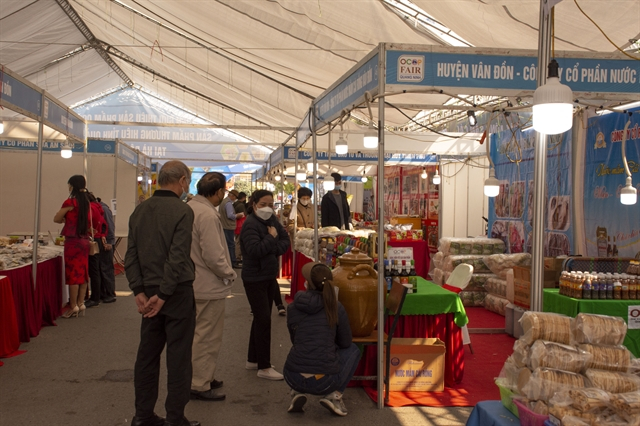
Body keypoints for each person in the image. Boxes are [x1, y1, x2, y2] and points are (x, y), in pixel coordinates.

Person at [125, 160, 200, 426]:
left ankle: (142, 415)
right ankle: (175, 418)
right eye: (187, 182)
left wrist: (139, 290)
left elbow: (130, 254)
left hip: (148, 292)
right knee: (178, 357)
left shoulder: (140, 210)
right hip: (176, 292)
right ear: (181, 180)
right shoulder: (182, 211)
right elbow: (177, 256)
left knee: (147, 355)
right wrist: (165, 293)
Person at [284, 262, 361, 416]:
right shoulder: (336, 307)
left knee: (302, 348)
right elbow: (345, 343)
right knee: (353, 350)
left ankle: (297, 390)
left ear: (308, 284)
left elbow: (295, 339)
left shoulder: (293, 307)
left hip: (292, 375)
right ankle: (335, 396)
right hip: (325, 381)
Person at [188, 172, 236, 402]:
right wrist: (229, 273)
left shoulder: (190, 208)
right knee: (207, 335)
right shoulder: (207, 214)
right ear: (218, 192)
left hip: (191, 282)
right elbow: (213, 254)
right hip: (207, 283)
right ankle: (199, 383)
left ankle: (202, 376)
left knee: (197, 334)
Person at [239, 189, 290, 381]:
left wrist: (271, 244)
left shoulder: (272, 221)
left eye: (270, 204)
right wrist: (270, 239)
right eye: (263, 205)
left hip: (268, 275)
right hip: (254, 278)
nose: (267, 208)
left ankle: (253, 359)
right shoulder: (250, 224)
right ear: (254, 205)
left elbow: (285, 241)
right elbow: (254, 250)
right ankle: (264, 366)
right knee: (263, 320)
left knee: (261, 318)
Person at [54, 175, 92, 318]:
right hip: (84, 241)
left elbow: (56, 218)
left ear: (72, 186)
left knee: (73, 275)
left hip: (72, 242)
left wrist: (65, 219)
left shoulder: (70, 202)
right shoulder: (86, 202)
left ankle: (73, 306)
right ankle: (81, 303)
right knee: (83, 273)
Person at [85, 192, 108, 308]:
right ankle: (98, 295)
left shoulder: (90, 208)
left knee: (93, 270)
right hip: (98, 238)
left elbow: (86, 222)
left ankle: (95, 297)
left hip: (91, 239)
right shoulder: (99, 207)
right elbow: (104, 224)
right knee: (97, 269)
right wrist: (102, 234)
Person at [96, 197, 116, 303]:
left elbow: (110, 227)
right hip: (103, 241)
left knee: (106, 268)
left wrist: (109, 241)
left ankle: (110, 293)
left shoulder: (104, 210)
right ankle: (103, 293)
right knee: (101, 268)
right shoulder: (101, 209)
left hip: (106, 242)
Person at [219, 189, 244, 269]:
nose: (235, 199)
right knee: (231, 245)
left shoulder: (223, 202)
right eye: (235, 197)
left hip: (224, 225)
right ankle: (233, 261)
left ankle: (229, 261)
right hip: (228, 226)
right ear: (232, 196)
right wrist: (238, 215)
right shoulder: (228, 203)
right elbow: (230, 215)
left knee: (227, 244)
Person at [233, 192, 247, 265]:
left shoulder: (235, 204)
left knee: (237, 241)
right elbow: (243, 215)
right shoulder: (241, 205)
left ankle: (236, 257)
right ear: (243, 197)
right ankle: (238, 258)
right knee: (239, 242)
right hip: (240, 225)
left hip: (236, 224)